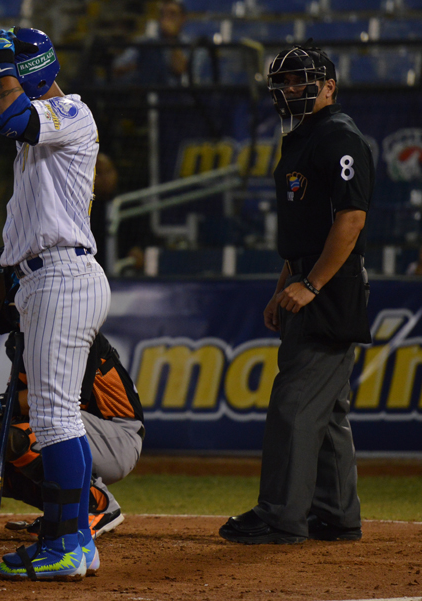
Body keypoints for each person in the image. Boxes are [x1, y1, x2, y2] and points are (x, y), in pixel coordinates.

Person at [219, 44, 374, 544]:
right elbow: (305, 225)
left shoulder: (339, 138)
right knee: (326, 410)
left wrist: (311, 284)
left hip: (330, 285)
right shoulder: (302, 140)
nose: (290, 90)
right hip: (308, 279)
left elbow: (350, 219)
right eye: (283, 82)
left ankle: (281, 516)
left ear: (329, 85)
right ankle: (334, 512)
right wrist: (284, 283)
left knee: (293, 403)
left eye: (300, 80)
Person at [0, 27, 111, 579]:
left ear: (32, 75)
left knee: (56, 420)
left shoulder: (70, 113)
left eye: (7, 80)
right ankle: (74, 539)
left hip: (63, 275)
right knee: (61, 418)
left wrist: (6, 57)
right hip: (48, 277)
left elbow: (14, 116)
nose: (0, 90)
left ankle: (66, 542)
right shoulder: (42, 138)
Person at [0, 247, 143, 541]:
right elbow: (22, 406)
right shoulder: (23, 339)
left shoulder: (71, 326)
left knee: (26, 431)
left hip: (116, 436)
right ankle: (62, 512)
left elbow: (61, 398)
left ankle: (98, 506)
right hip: (81, 428)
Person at [112, 0, 190, 86]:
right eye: (163, 14)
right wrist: (141, 65)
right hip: (143, 87)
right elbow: (118, 67)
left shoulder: (187, 43)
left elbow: (180, 69)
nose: (167, 18)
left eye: (172, 14)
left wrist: (172, 39)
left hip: (172, 92)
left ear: (183, 19)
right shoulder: (147, 40)